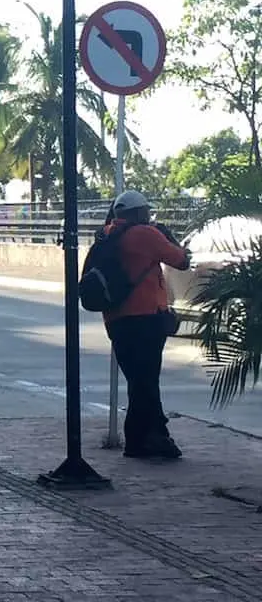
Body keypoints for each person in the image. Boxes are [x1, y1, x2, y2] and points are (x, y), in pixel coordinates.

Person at [102, 190, 190, 459]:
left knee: (139, 381)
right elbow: (182, 260)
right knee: (146, 381)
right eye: (146, 212)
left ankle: (142, 440)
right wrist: (167, 237)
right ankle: (151, 438)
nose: (149, 216)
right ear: (138, 212)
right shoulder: (145, 234)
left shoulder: (107, 233)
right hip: (145, 319)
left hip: (116, 320)